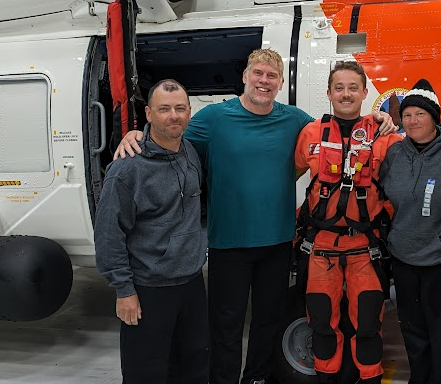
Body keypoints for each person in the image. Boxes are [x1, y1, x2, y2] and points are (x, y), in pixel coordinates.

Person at [113, 49, 395, 384]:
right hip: (228, 245)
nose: (264, 81)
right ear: (245, 77)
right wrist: (137, 134)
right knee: (226, 328)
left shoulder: (295, 121)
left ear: (280, 83)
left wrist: (379, 120)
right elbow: (169, 131)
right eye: (258, 73)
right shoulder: (214, 118)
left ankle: (257, 379)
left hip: (276, 243)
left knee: (267, 324)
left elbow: (338, 131)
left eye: (271, 76)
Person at [294, 61, 402, 384]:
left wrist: (389, 121)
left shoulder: (384, 137)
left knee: (369, 326)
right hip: (320, 249)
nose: (346, 94)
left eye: (353, 88)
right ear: (328, 93)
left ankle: (369, 379)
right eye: (339, 88)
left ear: (365, 93)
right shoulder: (310, 134)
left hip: (365, 250)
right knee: (322, 323)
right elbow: (287, 175)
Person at [95, 79, 209, 383]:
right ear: (148, 114)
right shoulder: (127, 169)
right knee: (145, 373)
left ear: (189, 111)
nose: (173, 115)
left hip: (191, 284)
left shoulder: (190, 152)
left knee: (193, 367)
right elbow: (109, 234)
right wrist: (124, 290)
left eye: (180, 108)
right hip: (149, 289)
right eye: (164, 109)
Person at [378, 79, 441, 384]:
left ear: (434, 117)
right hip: (404, 261)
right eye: (407, 115)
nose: (412, 121)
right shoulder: (395, 155)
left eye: (420, 114)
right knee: (413, 333)